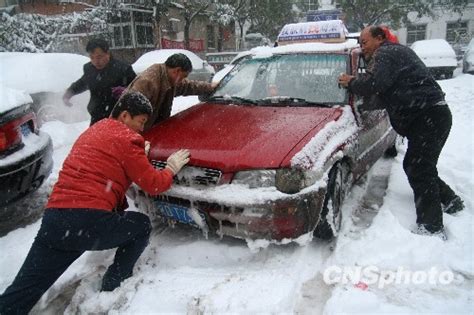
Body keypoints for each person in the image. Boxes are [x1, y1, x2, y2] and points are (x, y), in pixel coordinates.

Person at [0, 91, 190, 314]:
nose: (141, 128)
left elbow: (107, 168)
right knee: (140, 226)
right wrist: (170, 168)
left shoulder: (94, 131)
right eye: (141, 122)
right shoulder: (127, 139)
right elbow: (153, 183)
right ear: (125, 116)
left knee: (25, 288)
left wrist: (138, 156)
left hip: (55, 219)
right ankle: (113, 283)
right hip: (88, 221)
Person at [338, 25, 464, 240]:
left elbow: (375, 84)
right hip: (430, 115)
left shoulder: (387, 52)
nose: (362, 47)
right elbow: (385, 92)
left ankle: (431, 225)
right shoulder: (394, 53)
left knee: (419, 167)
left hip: (428, 116)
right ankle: (451, 201)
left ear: (379, 38)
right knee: (418, 165)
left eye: (364, 42)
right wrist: (362, 105)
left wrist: (352, 82)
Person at [128, 53, 218, 131]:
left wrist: (209, 87)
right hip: (138, 132)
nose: (183, 79)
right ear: (177, 71)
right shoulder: (148, 82)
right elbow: (130, 114)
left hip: (155, 130)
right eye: (184, 76)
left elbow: (189, 86)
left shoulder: (169, 79)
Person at [63, 38, 137, 126]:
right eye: (92, 57)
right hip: (96, 117)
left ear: (108, 53)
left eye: (99, 57)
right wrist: (69, 93)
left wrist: (125, 91)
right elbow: (82, 83)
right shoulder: (89, 69)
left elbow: (137, 89)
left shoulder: (123, 69)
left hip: (118, 119)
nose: (96, 61)